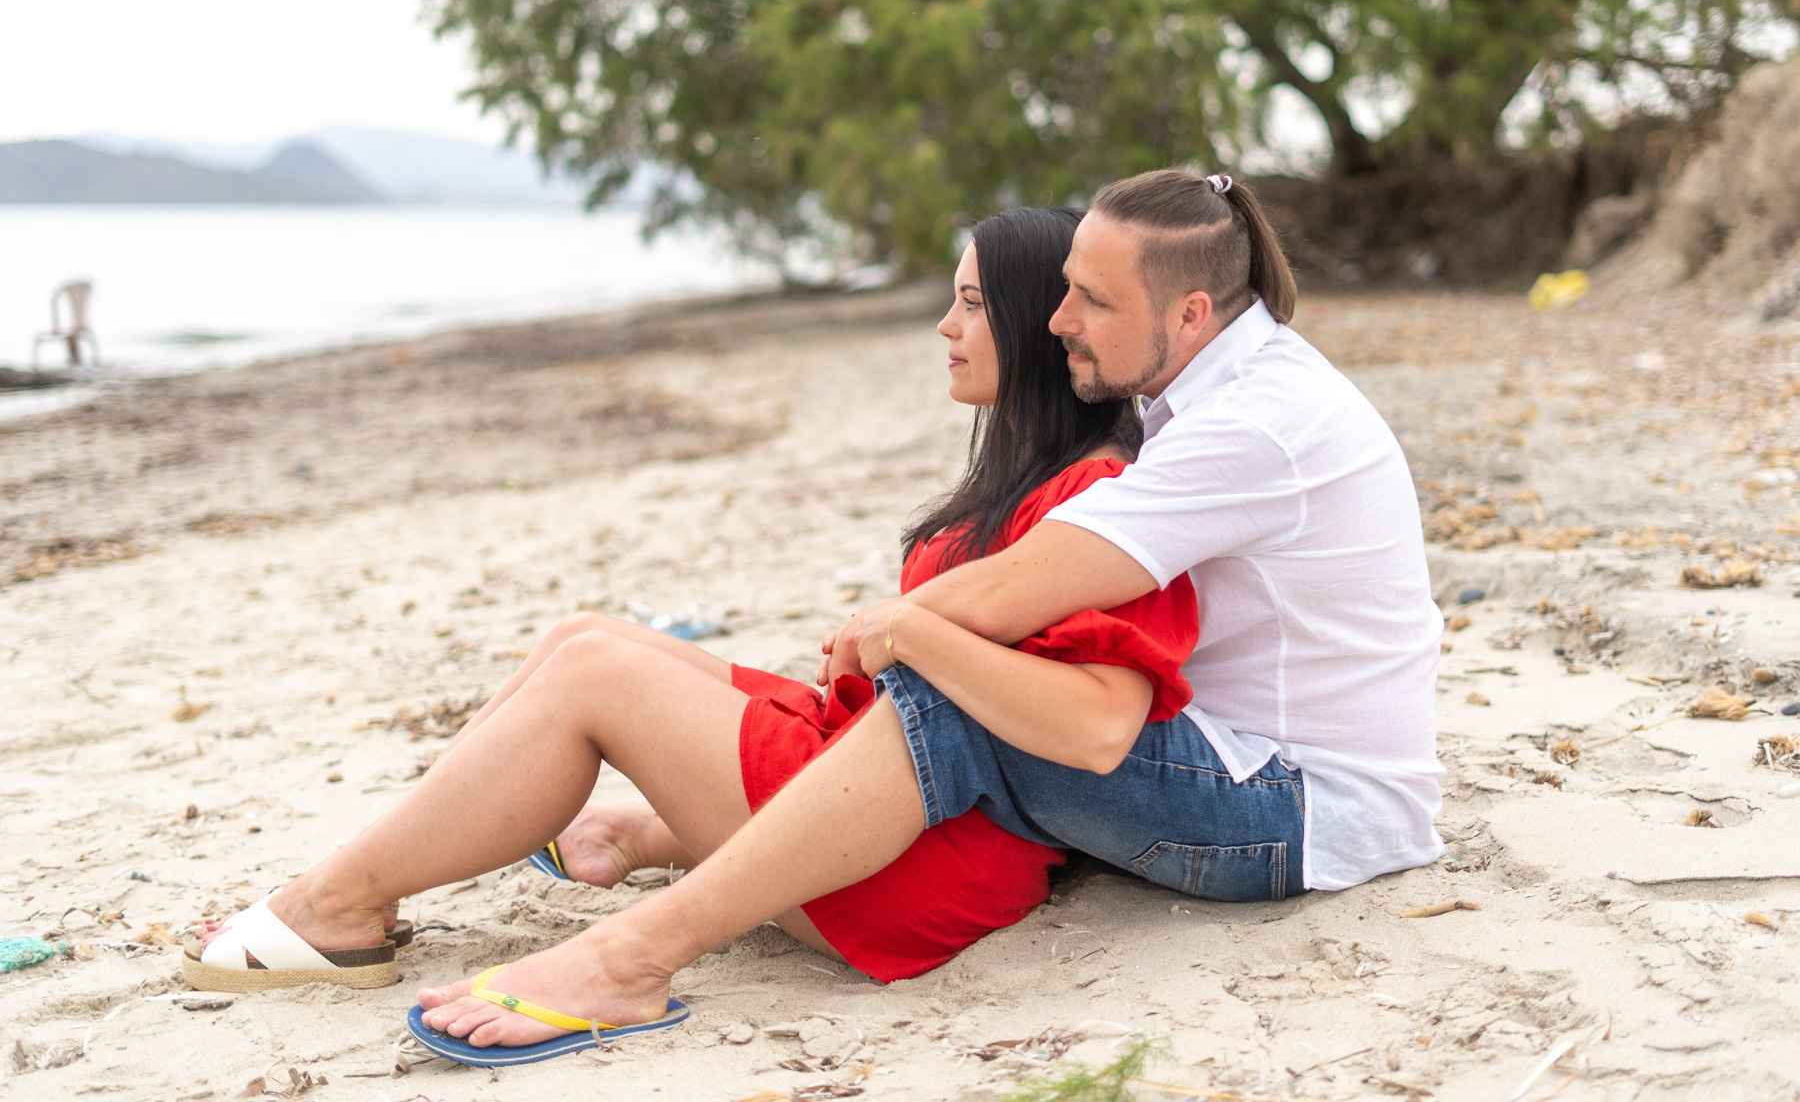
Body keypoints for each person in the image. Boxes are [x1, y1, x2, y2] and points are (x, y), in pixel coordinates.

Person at [183, 206, 1202, 1054]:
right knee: (583, 633)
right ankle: (401, 857)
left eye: (973, 305)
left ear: (1032, 327)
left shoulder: (1097, 504)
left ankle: (341, 903)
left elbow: (1099, 719)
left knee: (594, 677)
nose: (944, 326)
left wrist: (911, 633)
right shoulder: (1021, 483)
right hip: (865, 789)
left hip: (915, 861)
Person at [488, 166, 1441, 1051]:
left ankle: (631, 959)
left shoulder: (1255, 426)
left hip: (1293, 808)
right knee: (958, 673)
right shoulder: (1214, 386)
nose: (1059, 319)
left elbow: (1025, 581)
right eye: (1066, 285)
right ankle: (669, 835)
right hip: (1241, 760)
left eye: (1093, 301)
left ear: (1191, 314)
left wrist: (885, 630)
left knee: (958, 694)